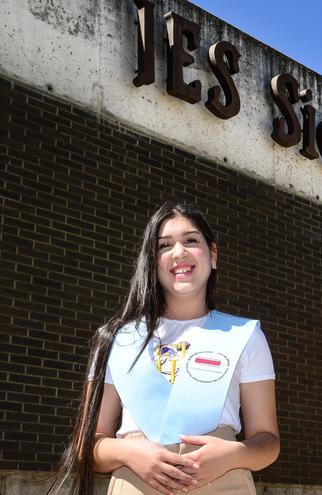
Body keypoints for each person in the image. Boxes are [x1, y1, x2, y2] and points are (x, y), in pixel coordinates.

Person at [51, 202, 280, 495]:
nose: (179, 252)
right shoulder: (115, 338)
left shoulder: (245, 335)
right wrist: (131, 453)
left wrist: (232, 455)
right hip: (135, 482)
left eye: (191, 241)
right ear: (152, 261)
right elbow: (88, 445)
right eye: (164, 245)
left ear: (213, 255)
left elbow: (267, 441)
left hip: (222, 482)